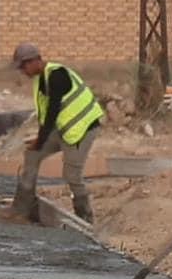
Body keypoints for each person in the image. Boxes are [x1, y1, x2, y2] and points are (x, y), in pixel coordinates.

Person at [8, 43, 105, 224]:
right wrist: (39, 141)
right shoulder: (41, 79)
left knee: (72, 175)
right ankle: (21, 208)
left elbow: (52, 112)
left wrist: (41, 139)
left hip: (83, 129)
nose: (23, 71)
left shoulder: (57, 76)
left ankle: (85, 218)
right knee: (32, 155)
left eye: (23, 66)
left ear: (35, 61)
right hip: (65, 129)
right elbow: (46, 116)